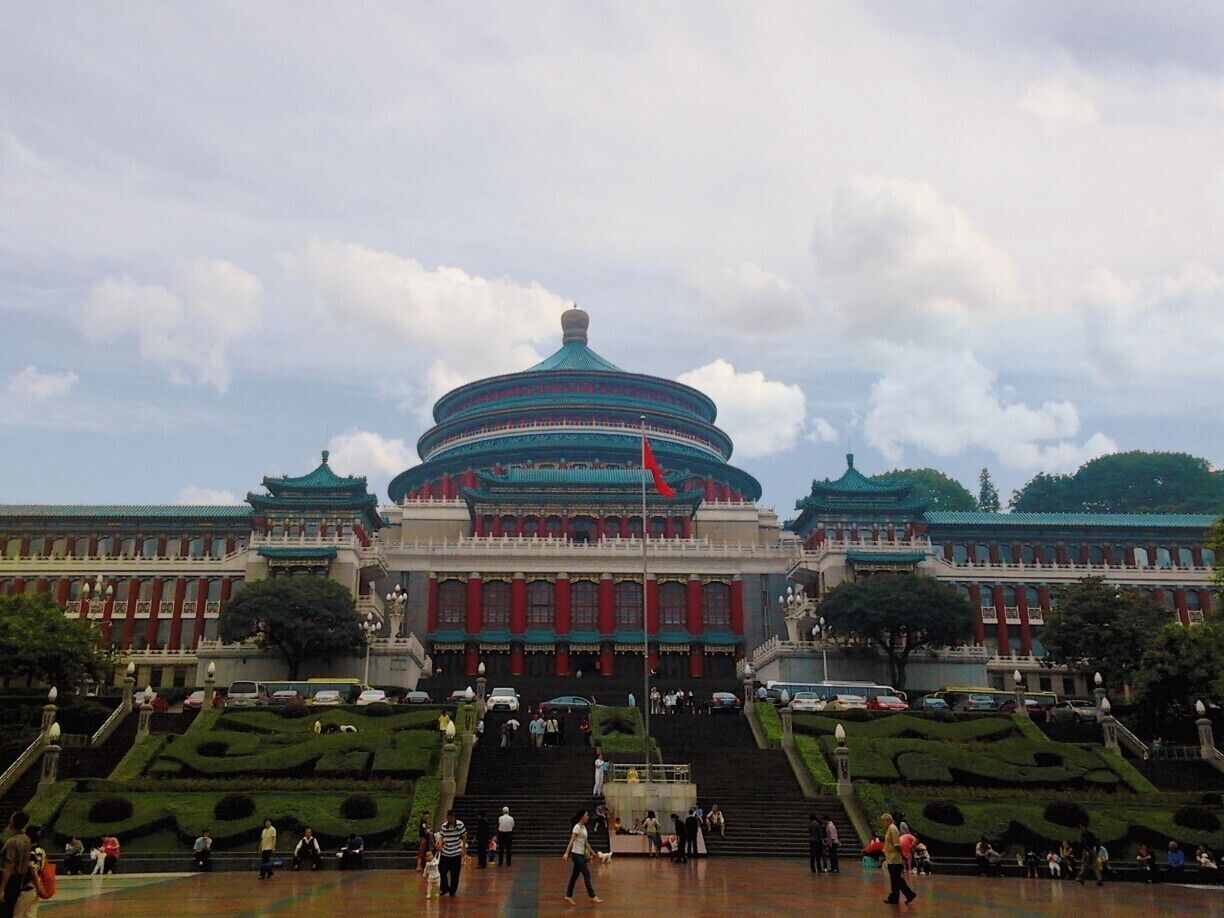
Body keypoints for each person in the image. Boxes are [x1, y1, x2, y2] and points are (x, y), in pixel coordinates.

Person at [562, 809, 602, 905]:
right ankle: (592, 896)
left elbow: (586, 842)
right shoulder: (577, 827)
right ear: (582, 817)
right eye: (586, 815)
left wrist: (593, 853)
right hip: (576, 855)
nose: (588, 817)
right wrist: (566, 853)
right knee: (587, 874)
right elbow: (571, 841)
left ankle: (568, 896)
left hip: (581, 854)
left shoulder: (584, 828)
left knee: (574, 876)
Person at [0, 811, 32, 917]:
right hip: (19, 879)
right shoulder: (27, 839)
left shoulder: (12, 842)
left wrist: (2, 888)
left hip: (9, 880)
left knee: (4, 910)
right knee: (10, 909)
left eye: (11, 818)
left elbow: (9, 865)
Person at [881, 814, 917, 905]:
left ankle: (907, 894)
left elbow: (897, 845)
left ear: (888, 820)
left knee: (896, 879)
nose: (883, 823)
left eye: (883, 821)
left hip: (894, 859)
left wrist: (902, 854)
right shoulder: (891, 829)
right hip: (891, 858)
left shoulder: (893, 829)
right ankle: (898, 896)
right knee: (896, 879)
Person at [14, 824, 47, 918]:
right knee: (30, 914)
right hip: (33, 888)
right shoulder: (40, 850)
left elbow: (33, 872)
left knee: (18, 915)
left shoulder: (30, 851)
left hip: (27, 887)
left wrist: (38, 887)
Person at [437, 809, 466, 897]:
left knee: (455, 874)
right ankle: (445, 888)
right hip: (445, 853)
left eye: (450, 818)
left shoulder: (460, 825)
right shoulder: (444, 826)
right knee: (442, 871)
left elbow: (464, 836)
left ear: (454, 817)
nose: (449, 820)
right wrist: (440, 845)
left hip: (456, 853)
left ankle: (452, 890)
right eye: (447, 818)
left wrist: (463, 849)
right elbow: (441, 836)